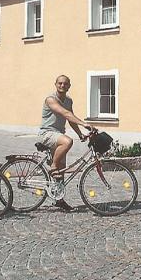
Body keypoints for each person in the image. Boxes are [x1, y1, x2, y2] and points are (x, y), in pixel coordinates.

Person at [38, 75, 91, 211]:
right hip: (47, 134)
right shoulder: (50, 99)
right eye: (60, 83)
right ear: (55, 84)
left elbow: (70, 119)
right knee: (67, 142)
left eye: (65, 84)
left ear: (69, 86)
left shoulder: (68, 100)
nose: (62, 85)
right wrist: (84, 123)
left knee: (61, 170)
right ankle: (52, 166)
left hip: (58, 135)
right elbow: (64, 113)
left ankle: (59, 200)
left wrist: (80, 134)